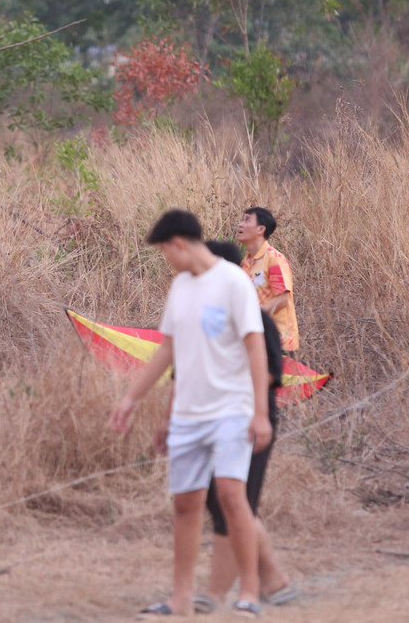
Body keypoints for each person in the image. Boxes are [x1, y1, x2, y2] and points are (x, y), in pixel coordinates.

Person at [110, 210, 272, 618]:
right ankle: (179, 598)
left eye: (165, 250)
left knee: (232, 498)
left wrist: (260, 412)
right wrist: (131, 399)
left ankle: (249, 590)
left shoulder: (234, 282)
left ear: (180, 244)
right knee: (185, 504)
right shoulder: (181, 286)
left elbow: (255, 348)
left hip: (231, 411)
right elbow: (168, 348)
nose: (167, 259)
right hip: (188, 414)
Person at [197, 240, 296, 612]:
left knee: (234, 502)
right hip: (214, 420)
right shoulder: (205, 314)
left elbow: (271, 374)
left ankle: (217, 592)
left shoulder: (256, 319)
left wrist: (254, 416)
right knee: (220, 499)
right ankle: (271, 578)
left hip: (251, 420)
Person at [236, 206, 299, 354]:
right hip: (254, 342)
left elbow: (283, 299)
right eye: (241, 220)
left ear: (260, 229)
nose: (240, 224)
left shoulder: (274, 259)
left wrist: (253, 314)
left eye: (247, 220)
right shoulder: (244, 264)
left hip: (279, 342)